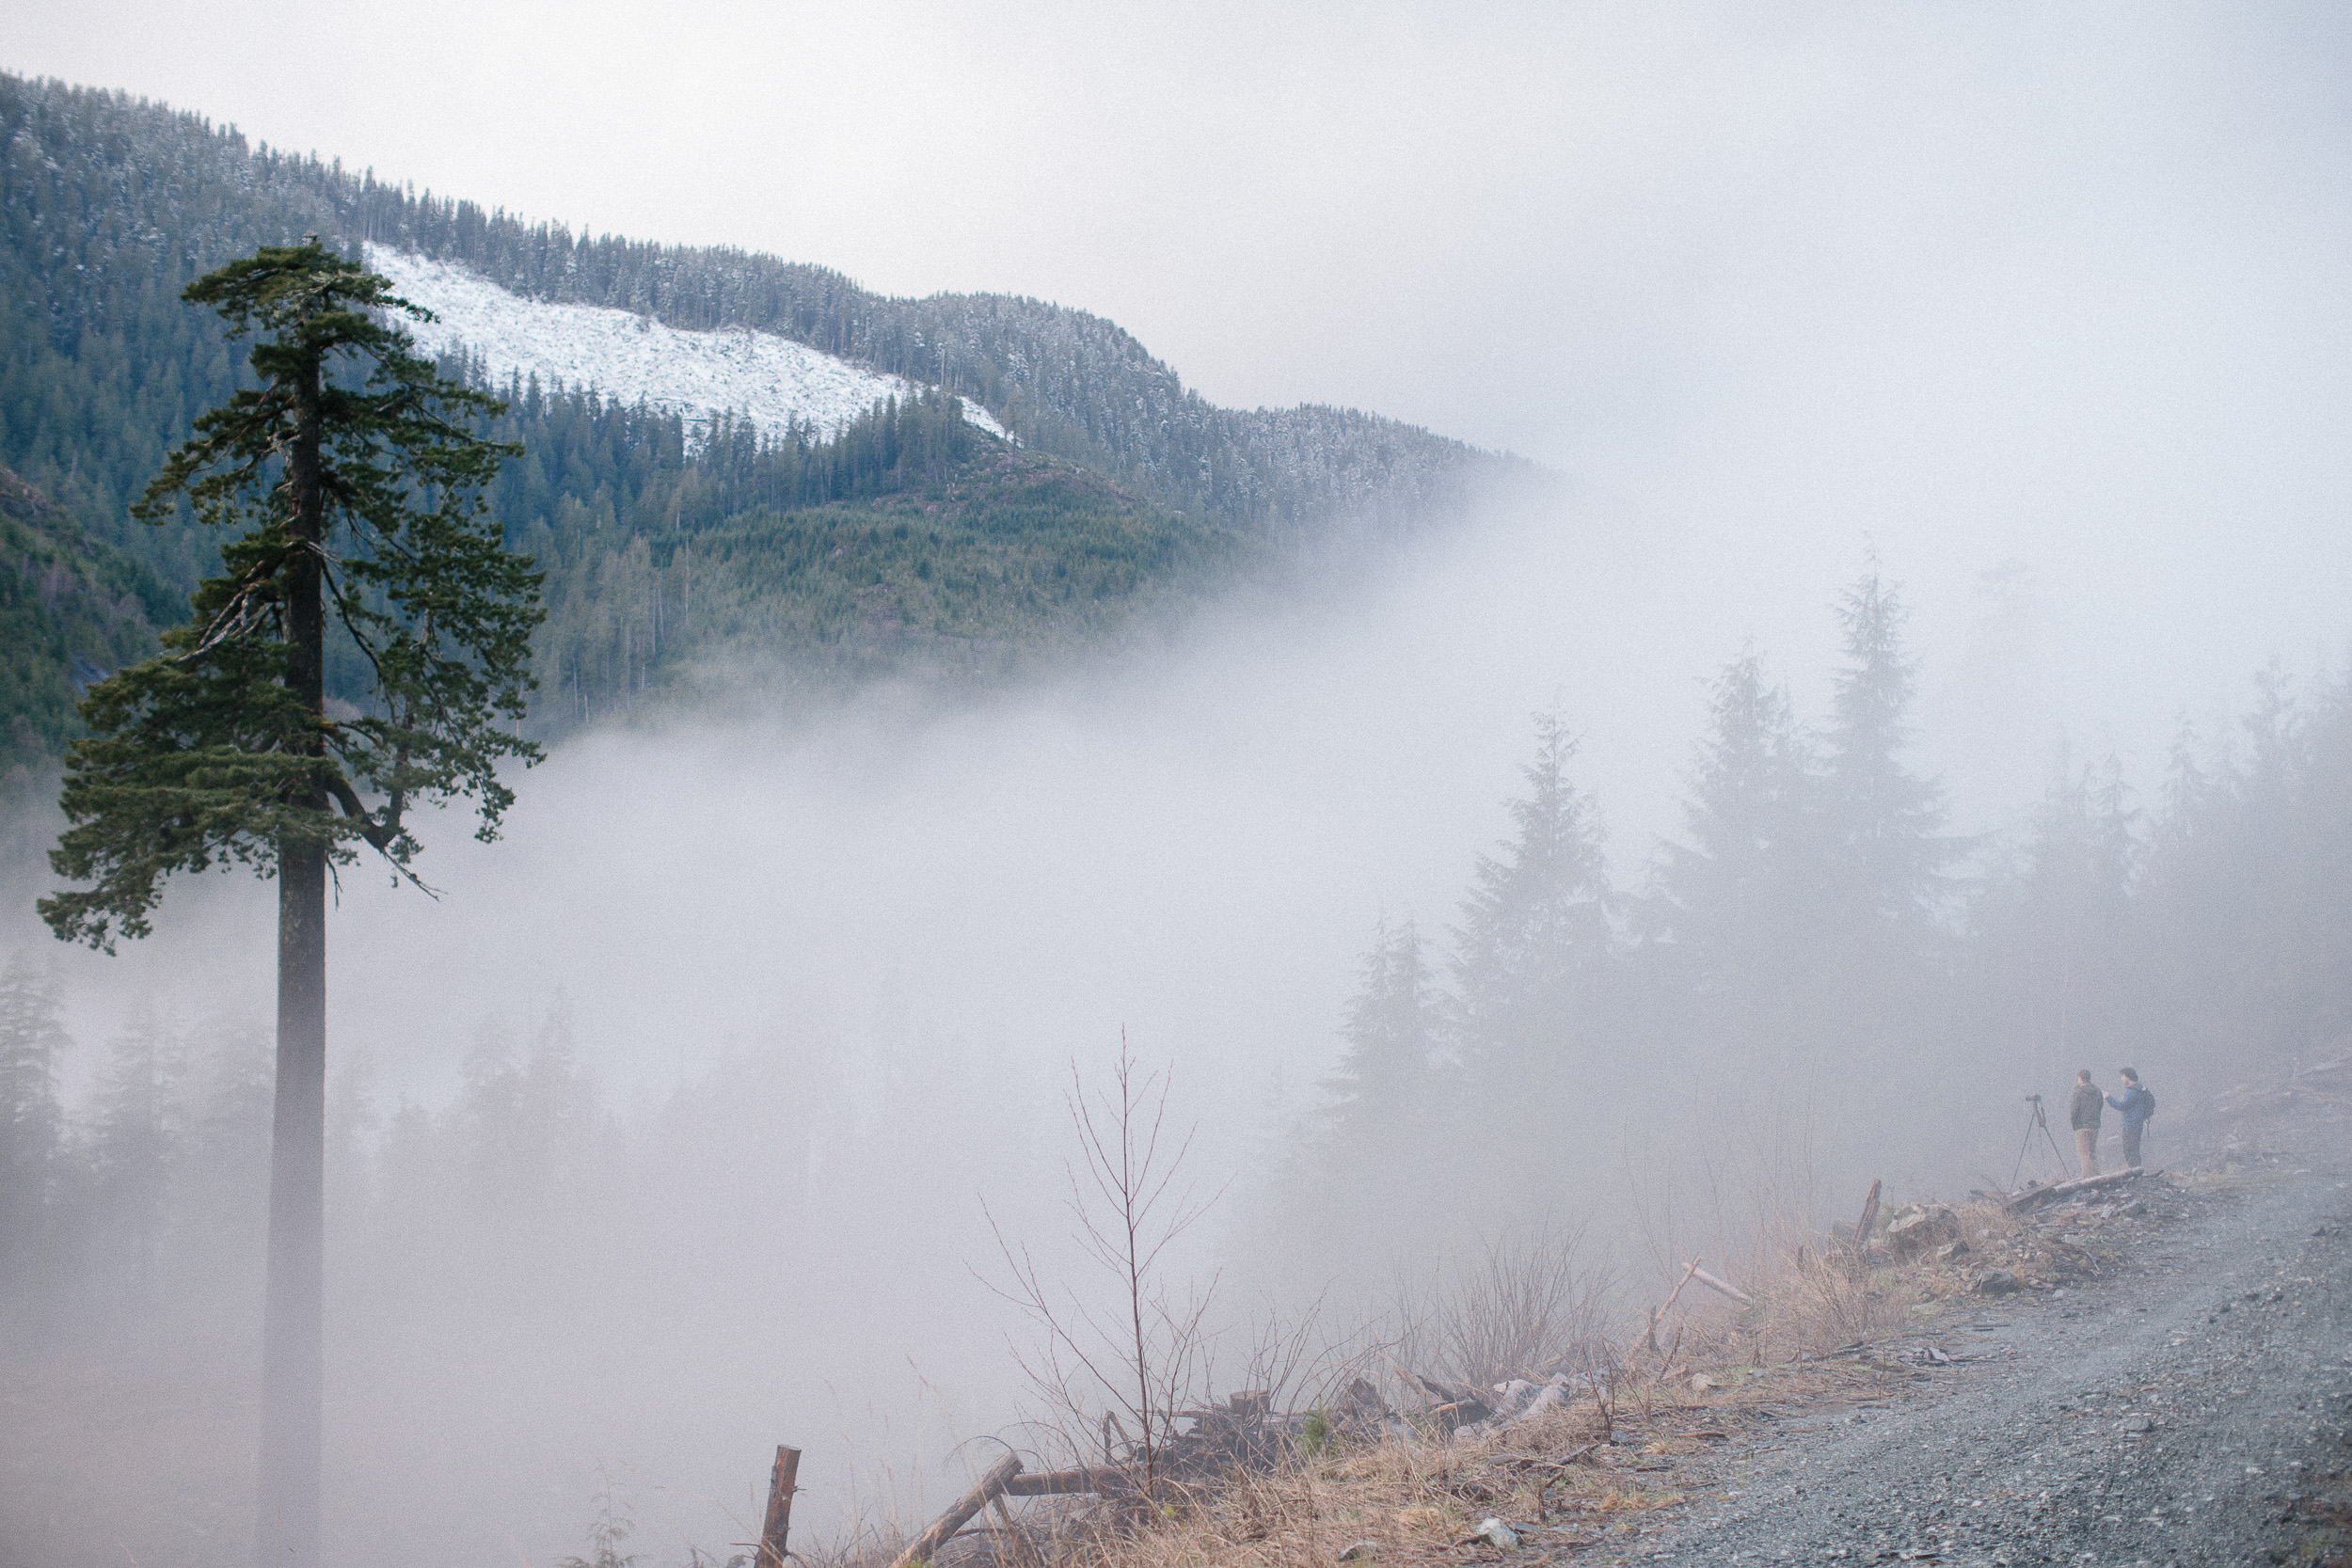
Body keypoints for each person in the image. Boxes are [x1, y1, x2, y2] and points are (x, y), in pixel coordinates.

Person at [2106, 1068, 2154, 1170]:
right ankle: (2137, 1171)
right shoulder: (2140, 1089)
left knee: (2130, 1151)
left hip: (2130, 1125)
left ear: (2128, 1076)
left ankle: (2136, 1172)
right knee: (2134, 1150)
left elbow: (2121, 1106)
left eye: (2122, 1076)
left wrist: (2108, 1097)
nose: (2122, 1079)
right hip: (2137, 1124)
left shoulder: (2132, 1091)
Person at [2068, 1069, 2103, 1178]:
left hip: (2081, 1126)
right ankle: (2097, 1175)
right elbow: (2100, 1105)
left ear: (2080, 1078)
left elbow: (2074, 1110)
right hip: (2094, 1125)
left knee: (2084, 1154)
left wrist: (2074, 1123)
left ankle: (2088, 1178)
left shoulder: (2077, 1091)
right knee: (2092, 1153)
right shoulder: (2096, 1090)